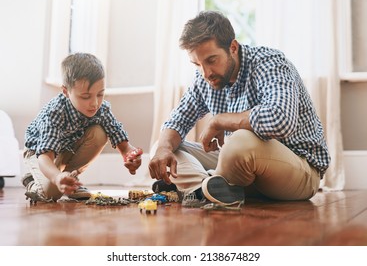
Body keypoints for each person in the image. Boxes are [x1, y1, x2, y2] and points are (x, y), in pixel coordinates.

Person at [148, 11, 330, 205]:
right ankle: (208, 190)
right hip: (243, 169)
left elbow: (280, 120)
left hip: (299, 169)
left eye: (211, 60)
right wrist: (163, 149)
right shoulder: (205, 78)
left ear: (233, 47)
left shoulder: (269, 63)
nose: (206, 72)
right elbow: (177, 120)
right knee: (163, 147)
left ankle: (201, 188)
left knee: (240, 141)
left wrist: (219, 120)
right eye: (197, 65)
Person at [22, 53, 142, 202]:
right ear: (66, 91)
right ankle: (32, 182)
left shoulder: (101, 109)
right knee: (50, 195)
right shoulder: (55, 113)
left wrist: (129, 155)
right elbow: (45, 157)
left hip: (67, 149)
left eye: (100, 94)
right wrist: (57, 176)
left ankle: (71, 181)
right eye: (85, 97)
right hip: (40, 153)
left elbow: (122, 142)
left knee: (99, 133)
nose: (94, 103)